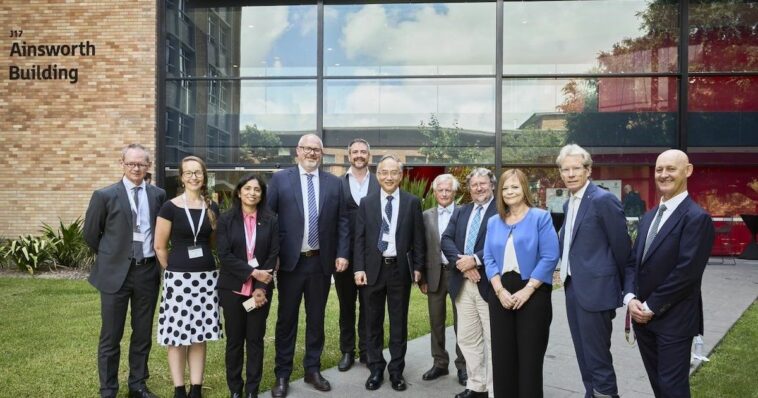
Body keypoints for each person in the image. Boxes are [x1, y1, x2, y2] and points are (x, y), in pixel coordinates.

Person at [624, 150, 715, 398]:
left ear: (688, 171)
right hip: (642, 319)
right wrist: (630, 298)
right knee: (658, 386)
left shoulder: (697, 219)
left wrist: (650, 306)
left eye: (671, 169)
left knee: (672, 389)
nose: (664, 175)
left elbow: (687, 273)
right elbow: (633, 262)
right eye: (659, 169)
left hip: (674, 322)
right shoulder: (649, 217)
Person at [267, 133, 350, 397]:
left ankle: (312, 369)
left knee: (316, 319)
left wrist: (342, 253)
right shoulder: (280, 179)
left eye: (316, 149)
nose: (312, 153)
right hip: (290, 264)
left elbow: (343, 222)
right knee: (286, 320)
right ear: (298, 151)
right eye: (307, 149)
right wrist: (273, 256)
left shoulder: (334, 183)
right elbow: (268, 220)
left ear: (321, 153)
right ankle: (282, 374)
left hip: (320, 263)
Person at [84, 143, 167, 398]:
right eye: (131, 163)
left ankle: (137, 385)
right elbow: (90, 235)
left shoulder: (158, 195)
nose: (136, 168)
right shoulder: (105, 195)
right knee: (111, 335)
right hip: (115, 274)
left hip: (147, 272)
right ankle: (108, 389)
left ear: (148, 166)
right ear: (122, 164)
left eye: (141, 163)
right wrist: (114, 255)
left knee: (142, 334)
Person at [556, 144, 631, 398]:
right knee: (583, 355)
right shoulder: (569, 205)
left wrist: (623, 291)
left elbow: (622, 250)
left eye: (576, 168)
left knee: (597, 358)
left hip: (597, 293)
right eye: (565, 169)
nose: (570, 174)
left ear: (588, 170)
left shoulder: (603, 200)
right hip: (573, 289)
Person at [483, 169, 560, 398]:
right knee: (502, 357)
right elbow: (488, 258)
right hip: (501, 292)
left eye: (515, 187)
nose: (509, 192)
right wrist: (498, 290)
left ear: (524, 188)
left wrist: (527, 291)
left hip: (533, 291)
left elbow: (550, 256)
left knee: (529, 359)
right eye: (505, 188)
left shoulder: (541, 217)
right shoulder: (494, 221)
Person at [354, 155, 425, 392]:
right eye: (384, 172)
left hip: (399, 270)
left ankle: (396, 371)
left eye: (394, 172)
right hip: (373, 270)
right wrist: (359, 268)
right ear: (378, 175)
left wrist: (417, 267)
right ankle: (376, 369)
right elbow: (360, 239)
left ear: (401, 175)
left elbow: (419, 238)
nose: (389, 177)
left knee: (398, 323)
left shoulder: (412, 202)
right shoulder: (367, 202)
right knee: (372, 323)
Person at [154, 155, 222, 398]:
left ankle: (196, 388)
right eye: (189, 173)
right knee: (177, 335)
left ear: (204, 176)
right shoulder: (170, 207)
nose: (194, 177)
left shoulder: (212, 207)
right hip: (179, 280)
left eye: (198, 172)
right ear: (182, 177)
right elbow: (160, 246)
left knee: (199, 334)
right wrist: (172, 272)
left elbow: (213, 244)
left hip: (206, 280)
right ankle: (179, 389)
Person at [217, 174, 280, 398]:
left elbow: (273, 254)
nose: (252, 193)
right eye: (247, 188)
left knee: (255, 339)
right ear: (239, 191)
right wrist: (253, 272)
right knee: (234, 341)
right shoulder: (226, 219)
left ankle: (252, 389)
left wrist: (261, 287)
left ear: (262, 195)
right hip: (232, 289)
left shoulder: (271, 219)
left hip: (260, 292)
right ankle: (236, 389)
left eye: (257, 190)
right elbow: (224, 254)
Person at [441, 168, 498, 398]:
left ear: (492, 185)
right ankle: (477, 386)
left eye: (483, 184)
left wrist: (475, 260)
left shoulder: (501, 211)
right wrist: (464, 265)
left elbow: (500, 241)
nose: (479, 188)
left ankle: (495, 390)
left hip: (490, 285)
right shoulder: (462, 211)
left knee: (493, 340)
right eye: (474, 185)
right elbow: (445, 239)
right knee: (467, 338)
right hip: (463, 285)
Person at [336, 138, 380, 371]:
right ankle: (347, 351)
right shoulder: (338, 183)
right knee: (346, 305)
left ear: (369, 156)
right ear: (349, 155)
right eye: (355, 152)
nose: (360, 155)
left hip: (372, 256)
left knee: (369, 305)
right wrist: (339, 252)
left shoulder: (380, 183)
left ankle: (366, 350)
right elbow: (335, 221)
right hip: (344, 256)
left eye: (364, 151)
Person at [419, 174, 467, 386]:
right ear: (435, 192)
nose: (445, 193)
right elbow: (420, 247)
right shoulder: (425, 216)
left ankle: (463, 366)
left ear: (454, 192)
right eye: (441, 190)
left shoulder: (464, 213)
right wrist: (421, 277)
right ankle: (439, 363)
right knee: (436, 321)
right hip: (434, 275)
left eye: (449, 190)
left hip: (459, 274)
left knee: (463, 323)